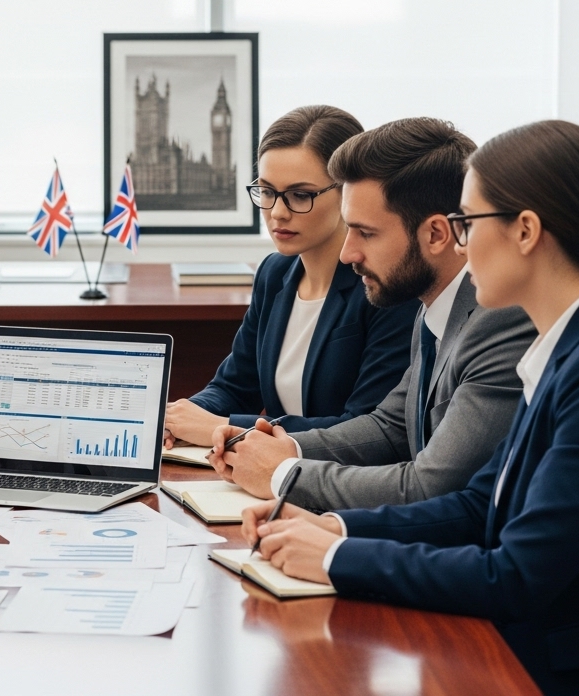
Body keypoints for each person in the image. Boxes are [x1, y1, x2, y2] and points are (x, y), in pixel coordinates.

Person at [245, 119, 579, 694]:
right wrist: (330, 525)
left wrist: (334, 557)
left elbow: (514, 575)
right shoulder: (570, 345)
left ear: (526, 231)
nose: (458, 243)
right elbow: (481, 504)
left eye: (467, 223)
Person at [211, 118, 536, 507]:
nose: (348, 253)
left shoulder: (500, 320)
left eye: (365, 233)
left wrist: (282, 474)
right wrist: (281, 446)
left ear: (436, 234)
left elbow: (430, 486)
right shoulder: (434, 307)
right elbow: (389, 427)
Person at [163, 105, 417, 449]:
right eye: (267, 192)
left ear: (348, 192)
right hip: (271, 474)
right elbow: (234, 387)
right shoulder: (274, 273)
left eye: (300, 195)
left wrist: (223, 426)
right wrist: (179, 419)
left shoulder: (384, 285)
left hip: (340, 486)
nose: (278, 213)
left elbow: (365, 428)